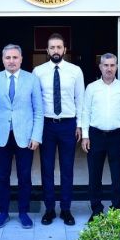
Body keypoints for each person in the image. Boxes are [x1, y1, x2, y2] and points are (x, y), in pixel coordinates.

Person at [0, 44, 43, 229]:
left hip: (25, 136)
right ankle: (3, 212)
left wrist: (36, 136)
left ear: (21, 59)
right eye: (8, 57)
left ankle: (23, 212)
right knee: (2, 176)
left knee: (24, 176)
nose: (11, 61)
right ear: (3, 60)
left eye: (15, 57)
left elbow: (38, 111)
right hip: (1, 136)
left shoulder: (32, 79)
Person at [33, 33, 84, 226]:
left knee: (67, 168)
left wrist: (79, 125)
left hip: (68, 124)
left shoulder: (75, 71)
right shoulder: (38, 72)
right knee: (47, 168)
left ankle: (65, 209)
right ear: (47, 50)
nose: (56, 50)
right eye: (52, 47)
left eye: (59, 47)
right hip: (46, 125)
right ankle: (49, 209)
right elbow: (35, 101)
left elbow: (80, 99)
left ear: (64, 49)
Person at [81, 53, 120, 221]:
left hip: (118, 135)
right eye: (106, 65)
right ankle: (96, 210)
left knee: (117, 175)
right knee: (94, 175)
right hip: (96, 135)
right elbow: (85, 112)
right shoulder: (91, 87)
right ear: (100, 67)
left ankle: (115, 210)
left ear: (116, 67)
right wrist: (85, 136)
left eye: (112, 65)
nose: (109, 68)